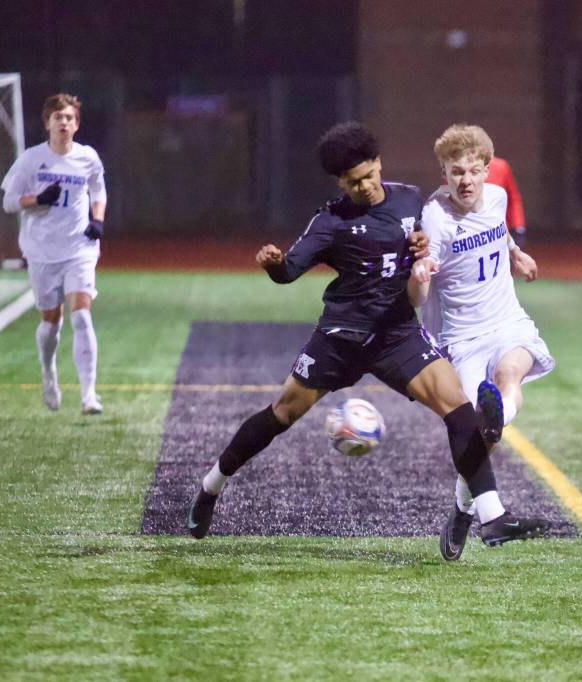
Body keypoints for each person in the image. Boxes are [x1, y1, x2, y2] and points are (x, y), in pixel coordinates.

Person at [186, 122, 547, 552]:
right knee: (280, 414)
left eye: (370, 175)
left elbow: (430, 245)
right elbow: (288, 272)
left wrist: (422, 254)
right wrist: (274, 264)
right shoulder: (329, 221)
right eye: (354, 183)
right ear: (341, 182)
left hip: (397, 334)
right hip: (342, 337)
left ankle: (492, 518)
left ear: (378, 164)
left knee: (461, 411)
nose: (366, 187)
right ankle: (212, 486)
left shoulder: (410, 199)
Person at [409, 124, 555, 561]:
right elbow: (417, 295)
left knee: (511, 371)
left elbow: (499, 230)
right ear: (444, 176)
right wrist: (417, 279)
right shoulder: (434, 219)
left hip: (505, 319)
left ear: (488, 171)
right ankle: (462, 511)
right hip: (459, 339)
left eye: (474, 171)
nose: (466, 181)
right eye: (457, 173)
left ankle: (498, 415)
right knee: (479, 441)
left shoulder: (498, 197)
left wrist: (515, 253)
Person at [1, 93, 106, 414]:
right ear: (47, 123)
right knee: (51, 321)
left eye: (69, 118)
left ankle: (89, 395)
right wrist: (36, 199)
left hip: (79, 249)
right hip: (42, 252)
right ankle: (49, 375)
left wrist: (97, 220)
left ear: (76, 124)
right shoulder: (31, 160)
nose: (64, 122)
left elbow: (99, 191)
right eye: (58, 117)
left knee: (81, 315)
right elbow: (8, 202)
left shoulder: (88, 157)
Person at [485, 155, 527, 248]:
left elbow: (513, 198)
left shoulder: (500, 166)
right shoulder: (457, 167)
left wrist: (518, 225)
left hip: (501, 230)